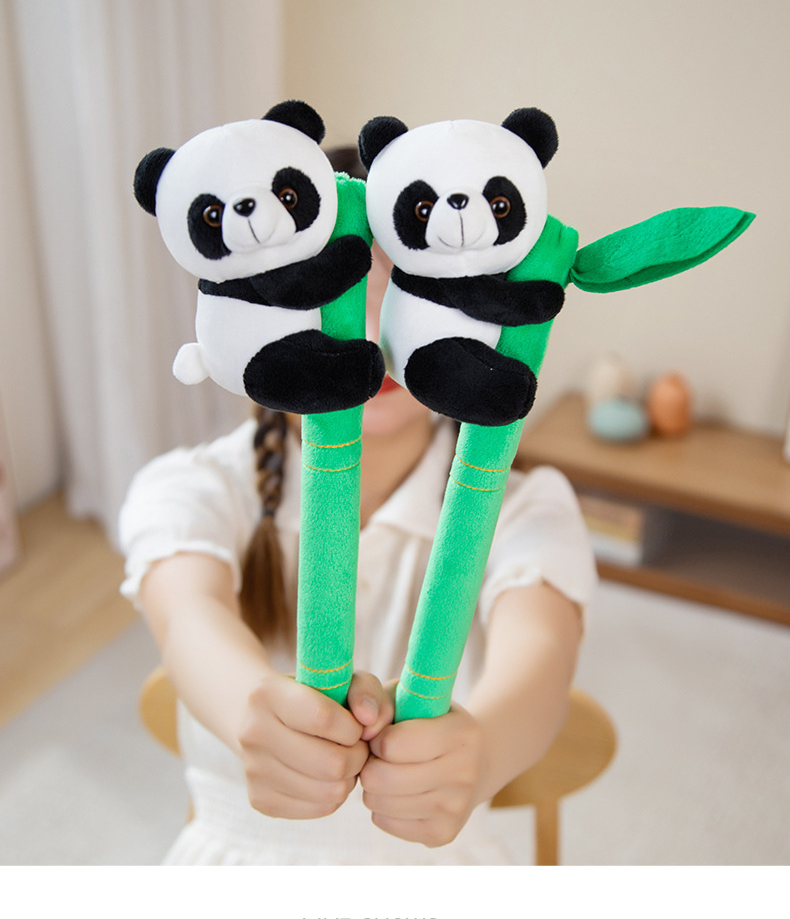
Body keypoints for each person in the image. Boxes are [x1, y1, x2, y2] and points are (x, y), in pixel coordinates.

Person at [119, 148, 597, 865]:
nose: (370, 331)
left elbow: (543, 659)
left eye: (409, 293)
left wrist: (483, 750)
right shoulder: (194, 486)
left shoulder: (528, 509)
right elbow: (188, 618)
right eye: (333, 295)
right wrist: (250, 708)